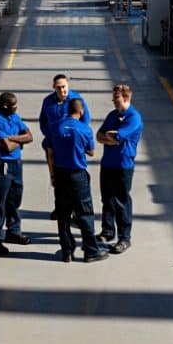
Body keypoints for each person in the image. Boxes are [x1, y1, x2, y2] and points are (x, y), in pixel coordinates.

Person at [52, 98, 107, 263]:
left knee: (63, 215)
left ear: (67, 110)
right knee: (85, 214)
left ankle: (67, 251)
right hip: (78, 176)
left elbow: (50, 149)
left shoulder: (55, 127)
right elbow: (91, 152)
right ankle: (91, 251)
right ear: (81, 111)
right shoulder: (84, 129)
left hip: (60, 175)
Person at [0, 92, 34, 256]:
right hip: (2, 166)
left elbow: (30, 136)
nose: (16, 107)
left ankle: (13, 231)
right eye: (14, 104)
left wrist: (13, 139)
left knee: (14, 199)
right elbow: (6, 147)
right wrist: (19, 141)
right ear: (5, 105)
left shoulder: (14, 117)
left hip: (16, 165)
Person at [96, 84, 143, 255]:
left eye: (116, 98)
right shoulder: (112, 115)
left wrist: (111, 137)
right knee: (107, 198)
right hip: (107, 163)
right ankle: (108, 231)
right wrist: (111, 137)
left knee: (122, 202)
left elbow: (118, 137)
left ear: (126, 98)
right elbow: (99, 135)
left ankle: (124, 237)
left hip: (123, 166)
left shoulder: (134, 118)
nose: (113, 101)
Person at [38, 74, 90, 220]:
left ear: (68, 86)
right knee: (57, 177)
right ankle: (59, 206)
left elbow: (85, 120)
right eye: (59, 87)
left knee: (74, 177)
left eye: (64, 87)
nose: (62, 90)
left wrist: (77, 137)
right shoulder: (48, 102)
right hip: (54, 145)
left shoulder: (76, 100)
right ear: (54, 88)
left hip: (71, 145)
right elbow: (43, 121)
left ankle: (75, 210)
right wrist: (51, 137)